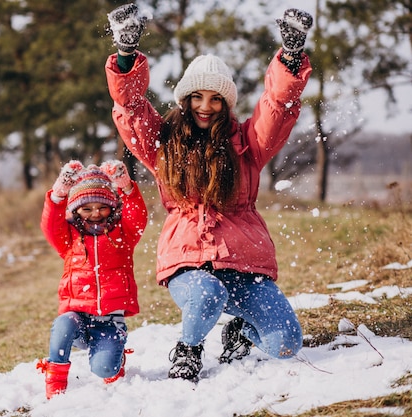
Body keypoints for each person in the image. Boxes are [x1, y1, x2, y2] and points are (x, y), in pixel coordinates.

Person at [105, 4, 314, 382]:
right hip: (188, 263)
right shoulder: (163, 144)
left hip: (243, 264)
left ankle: (240, 331)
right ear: (186, 99)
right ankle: (188, 350)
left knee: (285, 342)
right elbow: (131, 106)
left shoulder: (248, 145)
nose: (206, 106)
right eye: (198, 97)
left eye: (215, 98)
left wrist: (290, 56)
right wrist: (125, 53)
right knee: (206, 294)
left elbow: (278, 106)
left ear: (225, 103)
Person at [37, 160, 148, 399]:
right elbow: (49, 225)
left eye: (102, 207)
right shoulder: (69, 239)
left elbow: (137, 216)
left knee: (104, 369)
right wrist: (58, 193)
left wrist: (126, 186)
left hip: (109, 322)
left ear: (112, 206)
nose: (95, 213)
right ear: (76, 210)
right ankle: (55, 384)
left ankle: (114, 356)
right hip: (77, 316)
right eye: (87, 209)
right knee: (63, 324)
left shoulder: (123, 235)